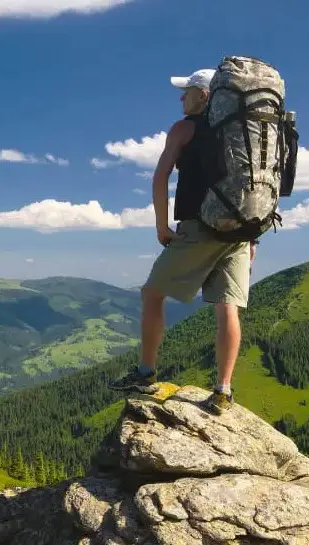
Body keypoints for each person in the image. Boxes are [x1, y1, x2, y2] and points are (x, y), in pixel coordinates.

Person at [107, 68, 253, 415]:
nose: (181, 97)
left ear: (204, 96)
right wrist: (252, 235)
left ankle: (145, 374)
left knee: (152, 293)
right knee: (226, 306)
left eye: (187, 91)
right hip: (242, 231)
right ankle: (222, 391)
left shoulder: (185, 128)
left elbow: (160, 178)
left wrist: (162, 224)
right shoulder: (241, 130)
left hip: (200, 226)